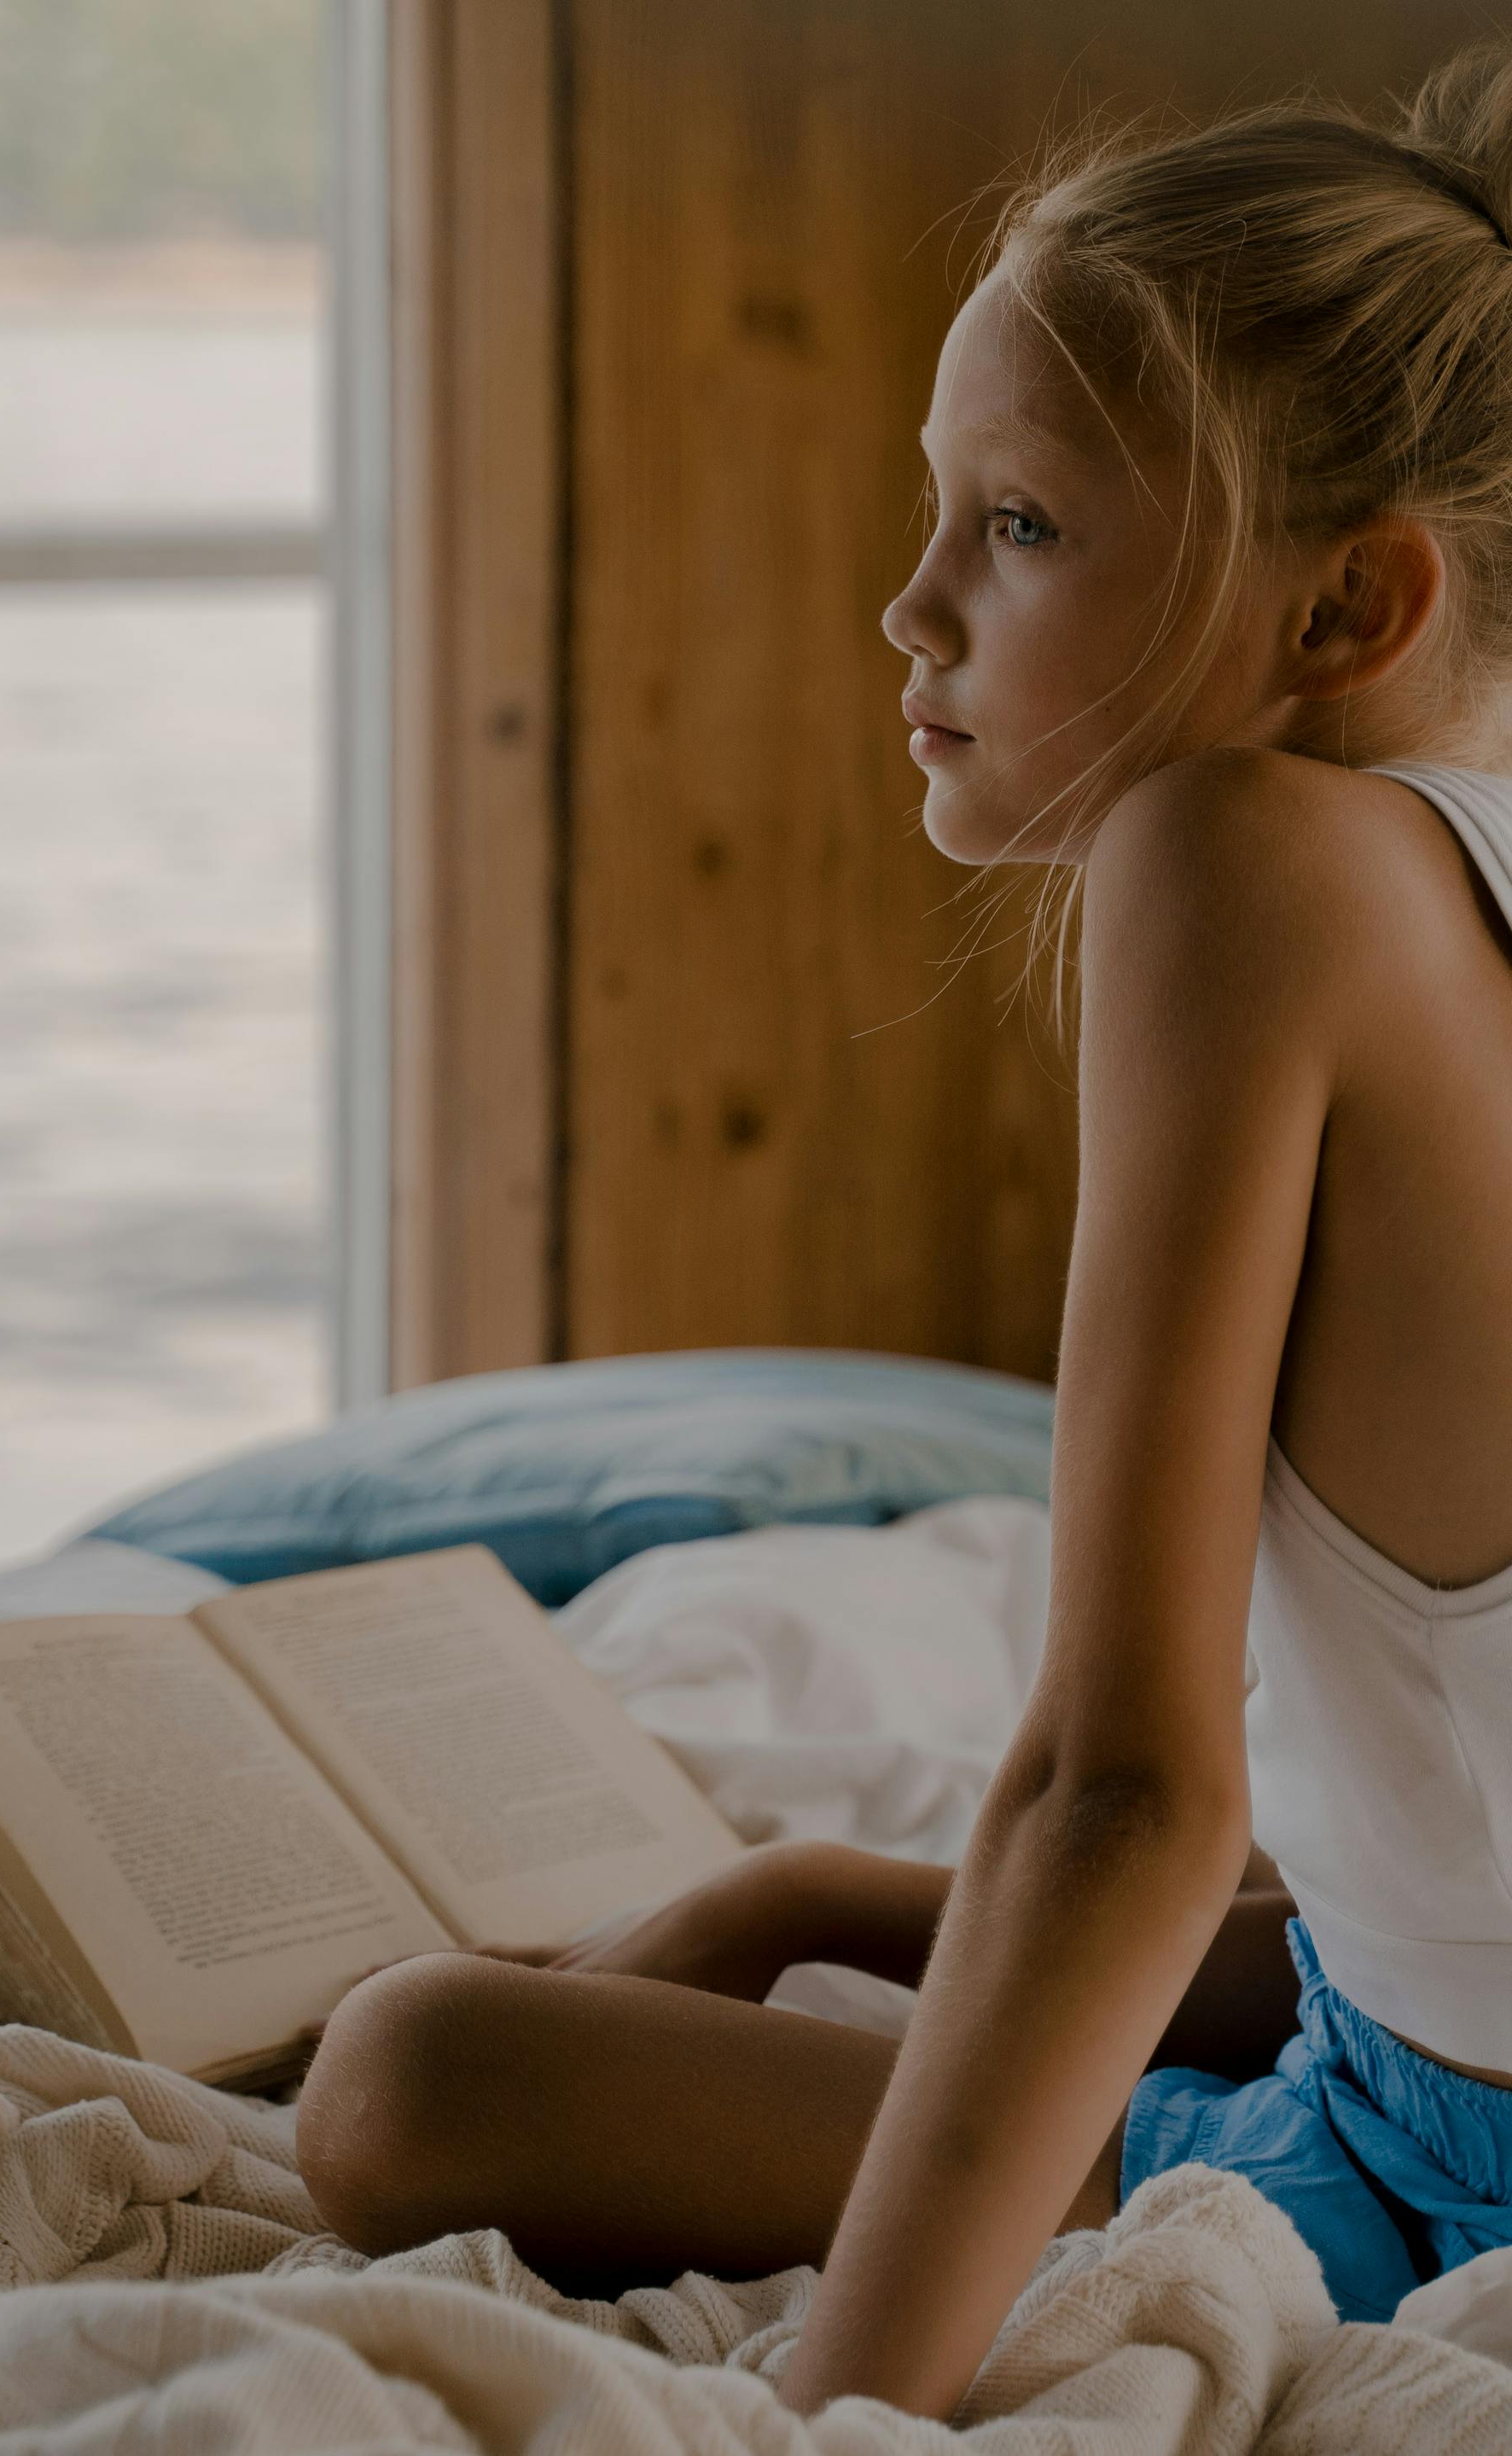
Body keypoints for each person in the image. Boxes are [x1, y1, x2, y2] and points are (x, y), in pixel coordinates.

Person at [296, 38, 1512, 2423]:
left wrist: (829, 2409)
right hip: (1388, 2066)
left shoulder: (1246, 864)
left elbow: (1129, 1795)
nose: (911, 604)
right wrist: (804, 1899)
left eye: (1024, 526)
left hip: (1416, 2154)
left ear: (1345, 602)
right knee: (431, 2070)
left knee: (401, 2087)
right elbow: (1445, 1855)